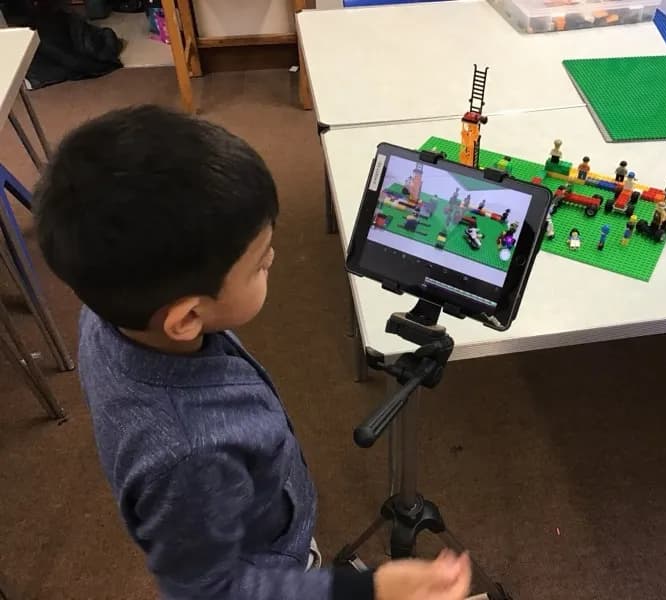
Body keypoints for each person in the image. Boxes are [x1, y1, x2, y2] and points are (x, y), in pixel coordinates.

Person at [33, 105, 472, 600]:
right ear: (187, 319)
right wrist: (365, 590)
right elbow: (214, 591)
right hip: (266, 561)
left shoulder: (110, 312)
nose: (275, 259)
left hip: (255, 508)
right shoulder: (190, 454)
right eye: (260, 263)